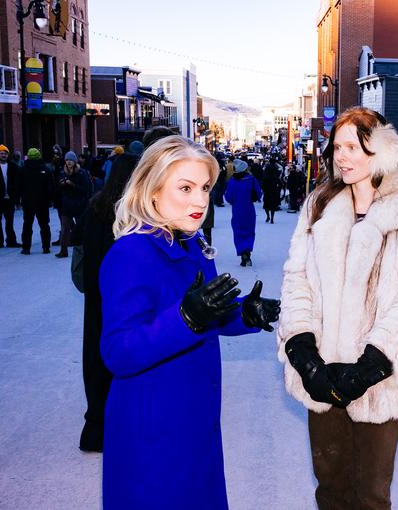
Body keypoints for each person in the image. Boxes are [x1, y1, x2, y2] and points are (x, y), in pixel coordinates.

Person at [277, 107, 398, 510]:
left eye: (353, 147)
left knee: (371, 494)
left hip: (380, 382)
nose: (342, 156)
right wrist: (303, 352)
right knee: (330, 487)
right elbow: (296, 278)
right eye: (337, 147)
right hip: (321, 374)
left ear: (381, 150)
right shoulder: (319, 206)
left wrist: (372, 365)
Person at [99, 135, 280, 508]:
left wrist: (243, 312)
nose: (201, 201)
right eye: (185, 188)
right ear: (152, 191)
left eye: (205, 187)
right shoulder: (130, 253)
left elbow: (205, 315)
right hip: (153, 427)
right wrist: (185, 317)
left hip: (197, 416)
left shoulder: (192, 244)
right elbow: (118, 352)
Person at [71, 155, 139, 453]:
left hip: (95, 296)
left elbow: (79, 246)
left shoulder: (95, 206)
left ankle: (95, 424)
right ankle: (119, 425)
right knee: (122, 355)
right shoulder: (132, 214)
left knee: (95, 356)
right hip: (123, 297)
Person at [224, 159, 262, 267]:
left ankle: (242, 254)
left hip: (237, 211)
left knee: (238, 232)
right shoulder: (251, 179)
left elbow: (228, 197)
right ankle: (247, 253)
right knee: (249, 231)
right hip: (249, 210)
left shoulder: (232, 181)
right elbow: (258, 193)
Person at [55, 151, 92, 258]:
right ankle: (63, 250)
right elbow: (58, 190)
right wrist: (61, 185)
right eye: (67, 160)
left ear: (75, 161)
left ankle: (85, 249)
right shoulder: (62, 172)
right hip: (66, 205)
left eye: (70, 160)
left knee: (82, 228)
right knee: (65, 229)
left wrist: (72, 185)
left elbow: (86, 189)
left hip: (79, 205)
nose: (69, 162)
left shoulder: (81, 172)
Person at [19, 148, 55, 255]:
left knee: (27, 225)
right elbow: (51, 187)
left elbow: (18, 186)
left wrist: (20, 198)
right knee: (44, 225)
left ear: (28, 157)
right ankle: (46, 247)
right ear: (39, 156)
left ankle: (26, 248)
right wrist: (50, 199)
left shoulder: (23, 170)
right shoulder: (45, 169)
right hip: (42, 202)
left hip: (27, 202)